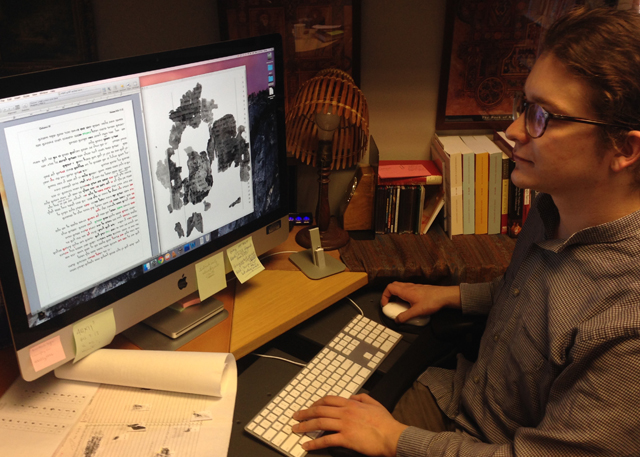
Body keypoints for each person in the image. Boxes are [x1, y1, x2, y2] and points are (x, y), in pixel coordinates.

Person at [291, 6, 640, 456]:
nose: (514, 130)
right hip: (457, 400)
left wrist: (393, 438)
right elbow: (534, 294)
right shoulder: (554, 204)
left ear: (625, 148)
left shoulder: (627, 322)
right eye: (524, 105)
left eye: (542, 117)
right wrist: (455, 296)